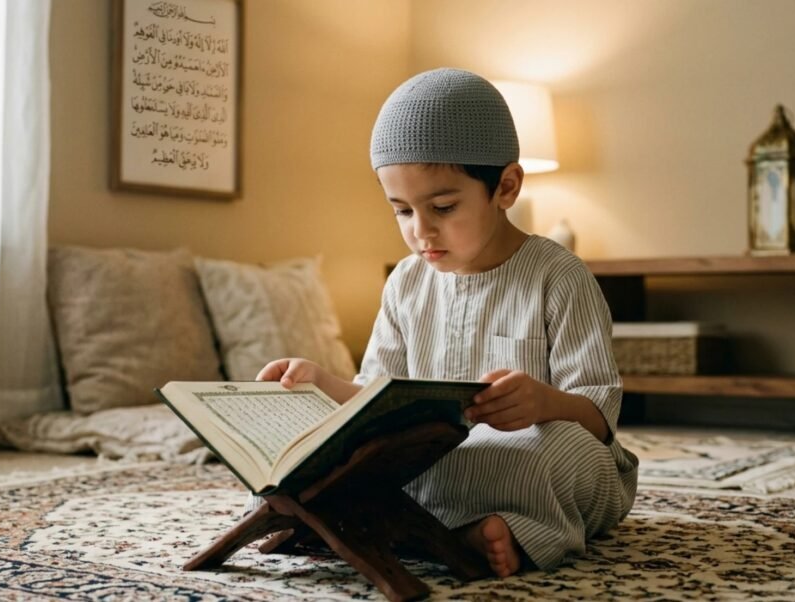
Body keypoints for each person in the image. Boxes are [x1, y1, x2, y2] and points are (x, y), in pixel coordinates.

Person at [256, 67, 639, 577]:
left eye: (442, 206)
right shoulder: (407, 283)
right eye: (402, 212)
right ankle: (455, 535)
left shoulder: (557, 274)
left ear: (505, 187)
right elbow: (377, 402)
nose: (421, 231)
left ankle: (445, 528)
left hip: (533, 456)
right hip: (435, 458)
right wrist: (320, 382)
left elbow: (598, 419)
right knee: (316, 462)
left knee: (557, 455)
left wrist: (544, 403)